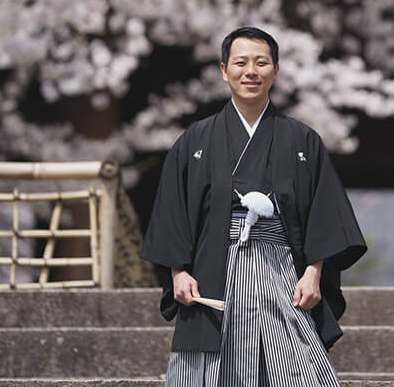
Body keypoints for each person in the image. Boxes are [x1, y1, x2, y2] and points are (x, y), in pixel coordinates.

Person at [141, 26, 366, 387]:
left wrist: (314, 271)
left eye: (261, 63)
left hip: (281, 269)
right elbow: (172, 210)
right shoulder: (194, 141)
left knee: (301, 368)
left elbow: (323, 212)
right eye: (241, 62)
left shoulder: (301, 139)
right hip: (213, 269)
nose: (251, 71)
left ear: (275, 71)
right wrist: (178, 272)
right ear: (223, 69)